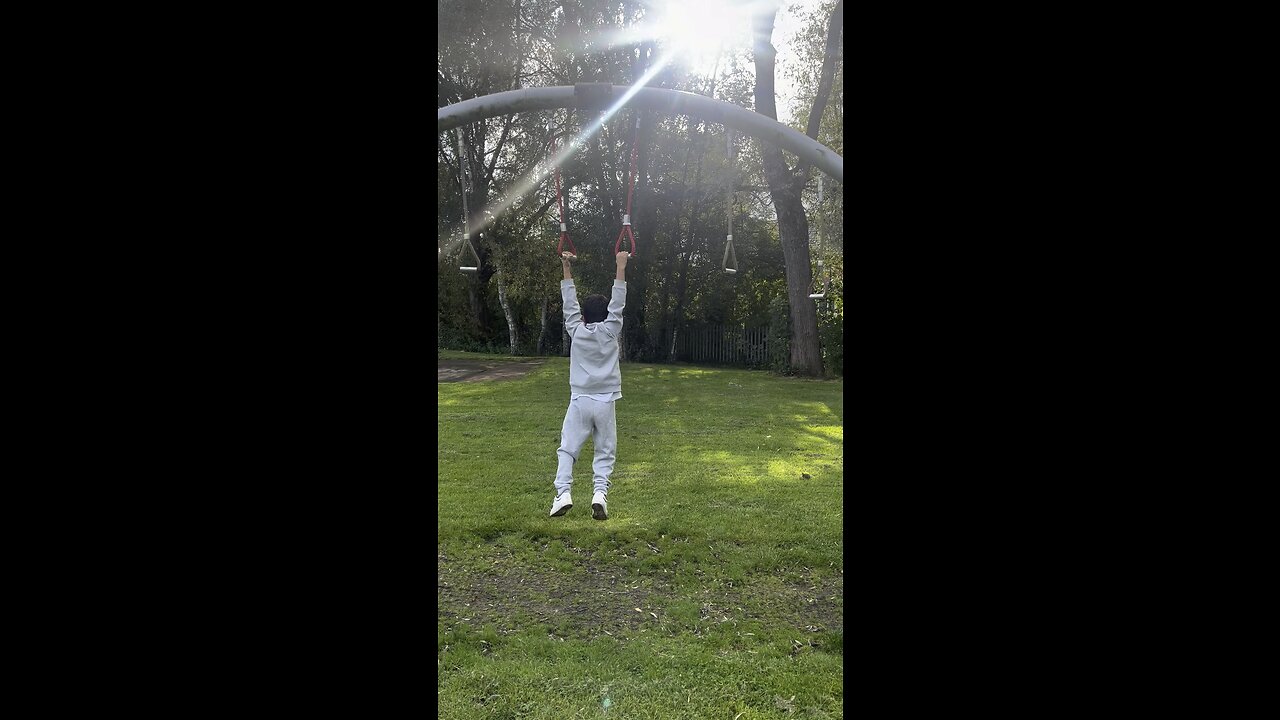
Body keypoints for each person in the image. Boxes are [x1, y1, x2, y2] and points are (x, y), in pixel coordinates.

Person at [549, 250, 629, 520]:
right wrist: (620, 265)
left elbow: (568, 302)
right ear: (606, 314)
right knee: (605, 451)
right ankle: (599, 495)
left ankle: (563, 493)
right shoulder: (611, 329)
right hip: (605, 401)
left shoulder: (576, 330)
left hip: (580, 400)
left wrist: (566, 267)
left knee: (568, 448)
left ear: (583, 315)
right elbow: (618, 301)